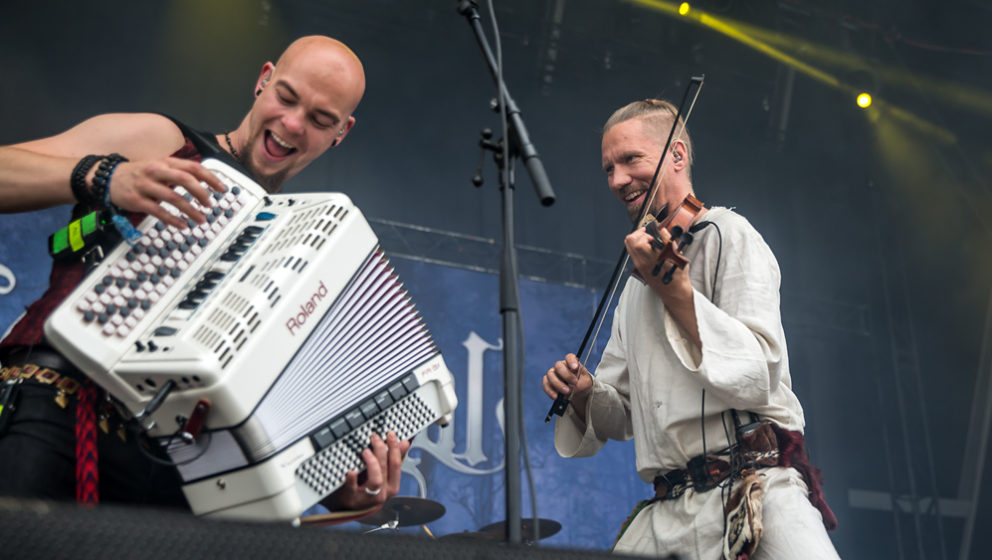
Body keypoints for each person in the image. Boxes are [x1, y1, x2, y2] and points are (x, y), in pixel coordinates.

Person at [0, 35, 408, 514]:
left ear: (342, 132)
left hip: (185, 483)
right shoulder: (163, 142)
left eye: (320, 120)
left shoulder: (304, 251)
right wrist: (107, 176)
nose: (292, 124)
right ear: (263, 80)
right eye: (286, 97)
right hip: (61, 417)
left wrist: (336, 487)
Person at [541, 99, 840, 559]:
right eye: (608, 169)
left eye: (630, 160)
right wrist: (584, 392)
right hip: (669, 512)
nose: (617, 180)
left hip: (754, 488)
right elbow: (622, 415)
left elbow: (760, 373)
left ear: (676, 156)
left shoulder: (729, 234)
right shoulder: (635, 287)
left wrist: (675, 289)